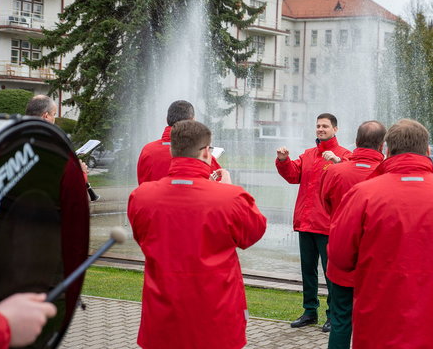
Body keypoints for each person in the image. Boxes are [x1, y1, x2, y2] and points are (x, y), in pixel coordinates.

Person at [329, 119, 433, 349]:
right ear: (427, 151)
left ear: (387, 150)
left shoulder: (363, 194)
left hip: (377, 322)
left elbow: (339, 256)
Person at [128, 120, 266, 349]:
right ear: (205, 152)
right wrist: (229, 189)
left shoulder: (142, 196)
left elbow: (142, 236)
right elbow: (253, 233)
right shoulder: (230, 198)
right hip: (216, 315)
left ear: (173, 149)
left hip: (162, 313)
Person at [276, 113, 352, 331]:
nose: (320, 129)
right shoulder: (308, 155)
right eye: (318, 125)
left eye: (325, 126)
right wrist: (283, 161)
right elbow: (293, 175)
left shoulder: (345, 155)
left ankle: (333, 314)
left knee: (331, 273)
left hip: (328, 225)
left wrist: (337, 163)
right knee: (308, 270)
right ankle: (310, 311)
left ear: (335, 129)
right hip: (306, 223)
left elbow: (350, 177)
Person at [320, 120, 386, 349]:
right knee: (375, 323)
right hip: (377, 262)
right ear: (382, 146)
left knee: (340, 319)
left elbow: (326, 205)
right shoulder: (387, 176)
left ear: (357, 141)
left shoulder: (336, 172)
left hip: (341, 258)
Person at [137, 100, 221, 184]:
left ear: (166, 120)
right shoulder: (199, 153)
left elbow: (142, 182)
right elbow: (217, 185)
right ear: (193, 121)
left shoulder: (147, 151)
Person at [25, 95, 90, 178]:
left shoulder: (17, 136)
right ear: (46, 116)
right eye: (54, 114)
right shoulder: (47, 142)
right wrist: (80, 172)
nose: (54, 119)